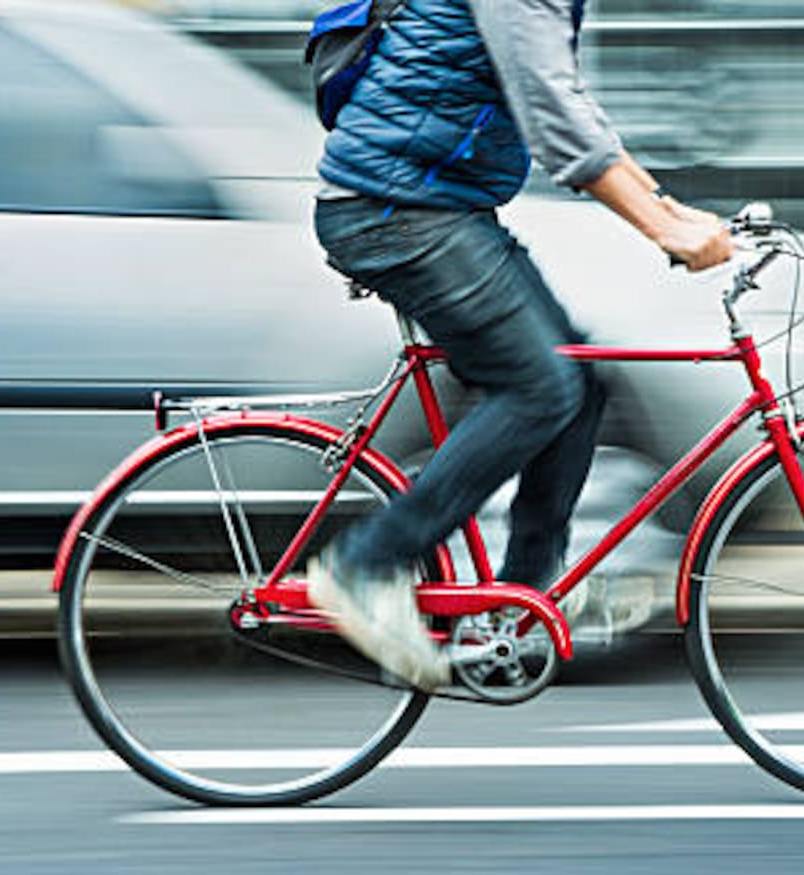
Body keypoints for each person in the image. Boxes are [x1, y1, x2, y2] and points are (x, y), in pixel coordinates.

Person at [308, 0, 734, 690]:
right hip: (395, 210)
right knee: (540, 388)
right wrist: (660, 229)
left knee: (579, 379)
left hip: (435, 207)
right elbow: (554, 116)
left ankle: (518, 605)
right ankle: (367, 566)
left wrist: (665, 204)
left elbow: (566, 100)